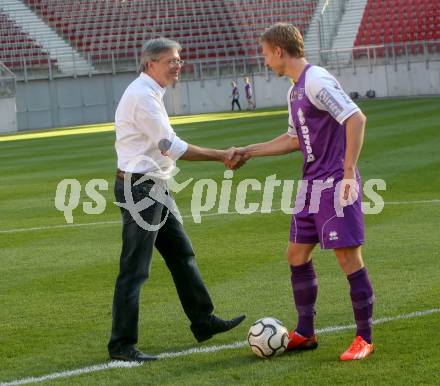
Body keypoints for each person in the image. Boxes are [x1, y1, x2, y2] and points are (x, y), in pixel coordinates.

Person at [234, 23, 374, 361]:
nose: (265, 60)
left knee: (347, 258)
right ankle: (305, 332)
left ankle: (364, 339)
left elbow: (356, 119)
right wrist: (248, 151)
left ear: (279, 51)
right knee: (296, 255)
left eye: (266, 53)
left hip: (333, 184)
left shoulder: (316, 80)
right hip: (311, 185)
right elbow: (294, 139)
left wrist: (347, 173)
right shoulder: (295, 90)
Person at [109, 38, 247, 362]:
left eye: (179, 59)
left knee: (182, 254)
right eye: (172, 60)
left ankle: (203, 321)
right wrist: (221, 155)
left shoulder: (150, 92)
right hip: (141, 188)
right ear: (151, 63)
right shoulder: (143, 96)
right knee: (135, 269)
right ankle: (121, 345)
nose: (178, 65)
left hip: (153, 186)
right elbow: (169, 145)